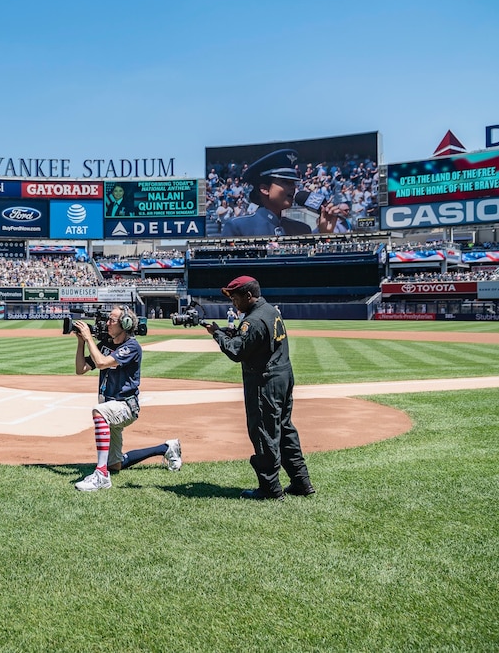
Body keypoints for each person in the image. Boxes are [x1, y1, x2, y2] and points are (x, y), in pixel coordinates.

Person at [201, 276, 314, 500]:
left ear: (249, 296)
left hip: (265, 383)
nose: (233, 303)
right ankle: (301, 482)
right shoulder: (270, 311)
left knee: (264, 433)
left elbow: (237, 351)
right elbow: (256, 341)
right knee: (285, 430)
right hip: (282, 376)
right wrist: (226, 332)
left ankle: (270, 489)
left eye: (235, 298)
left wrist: (216, 334)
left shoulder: (252, 321)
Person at [72, 306, 181, 492]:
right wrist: (82, 342)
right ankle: (167, 448)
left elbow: (101, 363)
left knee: (99, 413)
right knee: (116, 464)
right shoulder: (107, 345)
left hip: (125, 406)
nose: (107, 323)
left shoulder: (132, 347)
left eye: (111, 320)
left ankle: (101, 475)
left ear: (125, 324)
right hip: (110, 404)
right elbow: (80, 369)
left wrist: (90, 337)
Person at [221, 149, 340, 237]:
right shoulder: (238, 227)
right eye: (286, 182)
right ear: (264, 189)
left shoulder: (301, 229)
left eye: (293, 183)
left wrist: (325, 233)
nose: (292, 188)